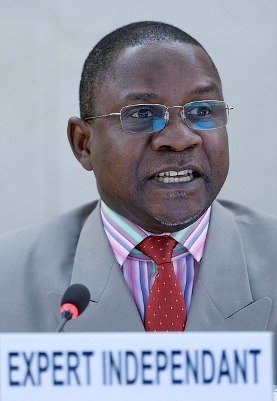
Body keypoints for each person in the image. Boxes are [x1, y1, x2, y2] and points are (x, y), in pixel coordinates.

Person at [0, 21, 276, 378]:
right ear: (83, 144)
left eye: (202, 111)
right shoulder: (7, 277)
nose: (179, 139)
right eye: (142, 115)